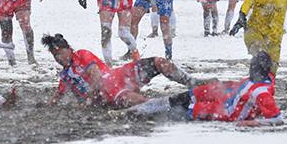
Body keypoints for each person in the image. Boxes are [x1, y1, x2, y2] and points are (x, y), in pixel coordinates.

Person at [126, 51, 282, 126]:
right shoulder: (260, 80)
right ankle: (144, 108)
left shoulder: (261, 92)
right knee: (183, 97)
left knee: (183, 109)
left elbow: (277, 119)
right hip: (224, 96)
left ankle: (138, 113)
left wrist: (251, 123)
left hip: (224, 111)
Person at [43, 32, 195, 108]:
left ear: (68, 49)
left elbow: (95, 75)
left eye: (60, 53)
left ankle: (192, 82)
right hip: (109, 92)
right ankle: (166, 106)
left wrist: (88, 99)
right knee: (133, 100)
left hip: (119, 76)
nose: (58, 58)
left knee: (158, 62)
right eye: (55, 55)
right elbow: (57, 98)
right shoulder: (65, 77)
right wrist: (45, 106)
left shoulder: (82, 54)